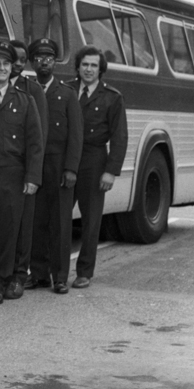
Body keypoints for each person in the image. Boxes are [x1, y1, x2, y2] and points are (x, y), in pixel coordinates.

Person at [0, 41, 43, 306]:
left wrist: (32, 178)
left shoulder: (25, 101)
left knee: (6, 231)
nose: (1, 68)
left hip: (13, 175)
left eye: (6, 64)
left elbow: (35, 143)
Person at [67, 45, 128, 288]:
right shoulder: (67, 91)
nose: (89, 69)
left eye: (93, 65)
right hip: (67, 160)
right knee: (60, 218)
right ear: (78, 67)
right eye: (84, 65)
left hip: (94, 161)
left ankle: (84, 272)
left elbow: (119, 137)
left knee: (91, 220)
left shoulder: (112, 97)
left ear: (100, 69)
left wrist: (111, 171)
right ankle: (57, 271)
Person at [27, 38, 83, 294]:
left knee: (60, 223)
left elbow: (76, 135)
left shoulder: (67, 93)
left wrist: (71, 169)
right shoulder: (26, 90)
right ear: (32, 62)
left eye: (49, 58)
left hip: (59, 167)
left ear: (55, 62)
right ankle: (39, 275)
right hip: (34, 167)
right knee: (35, 222)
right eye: (39, 58)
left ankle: (60, 276)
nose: (44, 62)